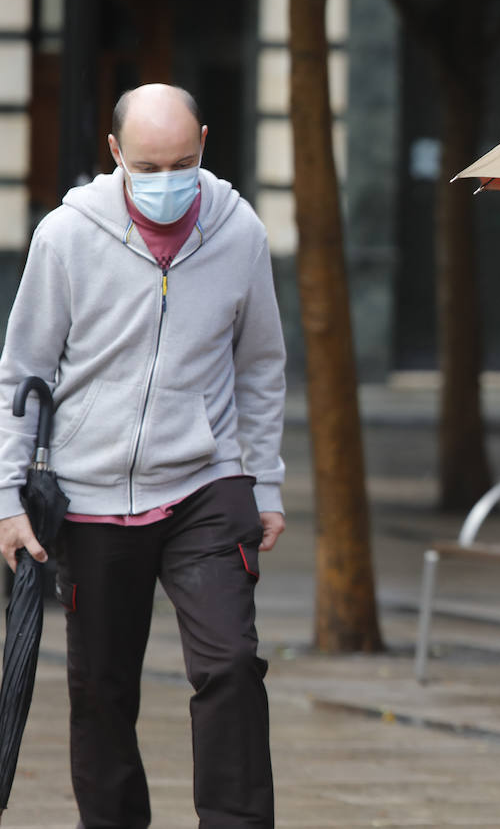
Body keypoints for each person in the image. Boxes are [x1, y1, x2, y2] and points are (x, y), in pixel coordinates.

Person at [0, 83, 287, 827]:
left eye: (183, 163)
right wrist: (6, 500)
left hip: (206, 482)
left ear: (204, 143)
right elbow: (22, 374)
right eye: (148, 166)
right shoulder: (67, 235)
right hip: (91, 493)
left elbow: (260, 365)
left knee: (232, 664)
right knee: (100, 690)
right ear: (115, 152)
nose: (167, 182)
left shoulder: (240, 231)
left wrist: (265, 482)